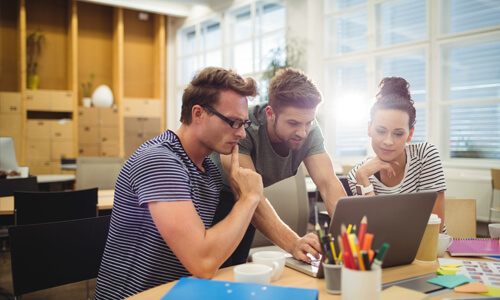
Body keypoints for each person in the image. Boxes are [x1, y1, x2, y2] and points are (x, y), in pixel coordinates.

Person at [94, 67, 264, 299]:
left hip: (179, 292)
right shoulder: (160, 161)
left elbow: (212, 250)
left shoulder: (210, 171)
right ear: (198, 114)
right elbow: (203, 262)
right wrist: (249, 198)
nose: (242, 134)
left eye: (244, 124)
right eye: (233, 122)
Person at [210, 67, 347, 267]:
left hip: (248, 204)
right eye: (293, 123)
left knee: (238, 271)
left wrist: (351, 237)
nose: (302, 132)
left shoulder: (308, 129)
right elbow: (247, 194)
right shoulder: (242, 126)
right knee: (217, 276)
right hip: (213, 200)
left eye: (308, 122)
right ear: (270, 113)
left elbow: (328, 184)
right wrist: (293, 243)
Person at [346, 77, 447, 232]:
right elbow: (372, 233)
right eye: (380, 131)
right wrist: (363, 177)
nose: (388, 141)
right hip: (386, 255)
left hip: (428, 252)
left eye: (398, 133)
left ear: (410, 134)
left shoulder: (425, 155)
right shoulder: (358, 175)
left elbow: (435, 229)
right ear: (369, 128)